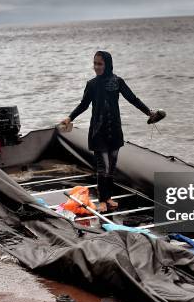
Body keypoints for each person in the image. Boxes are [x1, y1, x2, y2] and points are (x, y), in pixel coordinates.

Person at [61, 51, 161, 213]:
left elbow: (133, 99)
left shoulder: (118, 81)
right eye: (95, 63)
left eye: (100, 64)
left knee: (112, 166)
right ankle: (102, 199)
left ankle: (108, 197)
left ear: (107, 64)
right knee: (103, 167)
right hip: (98, 131)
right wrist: (70, 117)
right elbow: (83, 105)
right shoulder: (92, 84)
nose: (96, 67)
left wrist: (149, 113)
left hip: (114, 129)